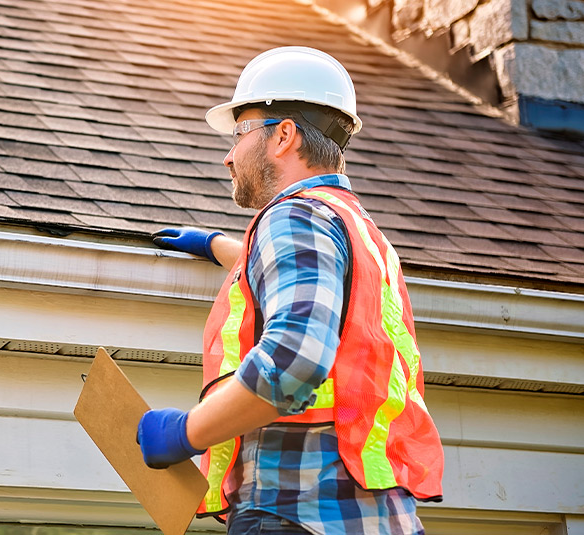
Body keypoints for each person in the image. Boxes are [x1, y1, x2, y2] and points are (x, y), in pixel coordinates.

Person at [136, 47, 444, 535]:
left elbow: (294, 361)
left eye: (240, 133)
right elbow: (322, 285)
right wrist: (225, 247)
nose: (228, 154)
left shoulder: (294, 216)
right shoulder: (358, 228)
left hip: (295, 510)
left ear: (283, 135)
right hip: (371, 513)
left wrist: (184, 433)